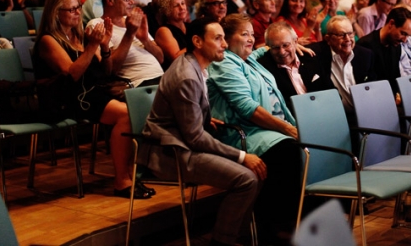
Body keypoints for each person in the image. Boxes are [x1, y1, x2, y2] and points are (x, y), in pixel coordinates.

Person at [139, 17, 266, 246]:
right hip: (171, 152)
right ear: (197, 41)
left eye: (224, 38)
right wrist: (241, 156)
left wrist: (204, 116)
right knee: (246, 178)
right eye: (217, 39)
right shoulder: (186, 76)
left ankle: (239, 236)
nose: (225, 45)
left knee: (255, 171)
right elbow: (195, 138)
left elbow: (191, 122)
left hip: (184, 141)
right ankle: (222, 241)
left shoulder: (197, 66)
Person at [33, 0, 150, 199]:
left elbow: (105, 71)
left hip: (90, 93)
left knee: (137, 106)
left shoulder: (80, 36)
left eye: (78, 7)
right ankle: (122, 181)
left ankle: (134, 175)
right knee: (126, 114)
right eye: (71, 9)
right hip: (65, 99)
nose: (78, 12)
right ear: (55, 12)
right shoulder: (48, 40)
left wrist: (104, 47)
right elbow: (71, 74)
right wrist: (92, 46)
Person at [207, 14, 301, 243]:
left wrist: (298, 46)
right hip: (242, 132)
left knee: (317, 142)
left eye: (252, 33)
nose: (250, 39)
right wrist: (287, 129)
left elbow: (262, 48)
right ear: (228, 40)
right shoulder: (225, 62)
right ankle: (273, 227)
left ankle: (301, 218)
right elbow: (247, 108)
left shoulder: (247, 58)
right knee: (288, 151)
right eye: (244, 34)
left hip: (268, 129)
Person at [308, 15, 376, 152]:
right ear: (328, 39)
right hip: (334, 117)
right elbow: (286, 47)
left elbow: (374, 87)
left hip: (363, 113)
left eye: (350, 33)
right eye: (341, 35)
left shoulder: (365, 55)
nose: (348, 39)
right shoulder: (316, 54)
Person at [87, 0, 164, 87]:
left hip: (162, 78)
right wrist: (129, 34)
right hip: (140, 83)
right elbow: (111, 69)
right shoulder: (97, 25)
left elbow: (161, 58)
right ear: (110, 0)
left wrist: (145, 39)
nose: (132, 2)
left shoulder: (132, 20)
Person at [257, 21, 328, 108]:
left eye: (286, 45)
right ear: (268, 46)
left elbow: (331, 90)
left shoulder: (310, 57)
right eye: (275, 47)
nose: (282, 52)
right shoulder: (263, 68)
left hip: (323, 109)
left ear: (295, 41)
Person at [154, 0, 188, 70]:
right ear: (166, 10)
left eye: (183, 3)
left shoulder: (190, 26)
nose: (181, 7)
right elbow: (176, 59)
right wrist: (198, 44)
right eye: (176, 5)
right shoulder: (164, 31)